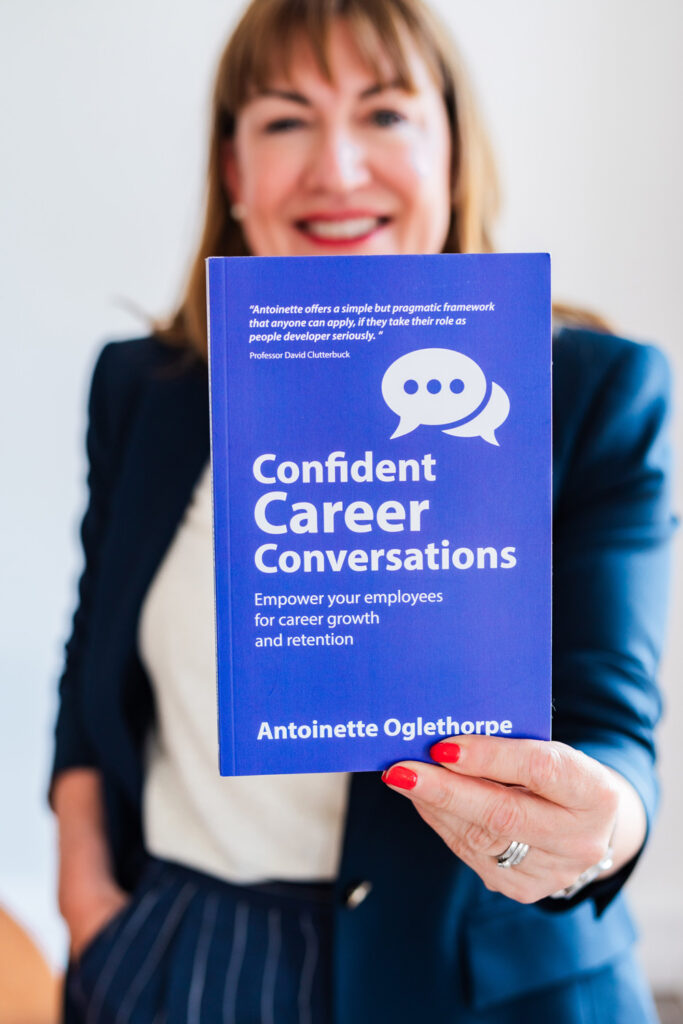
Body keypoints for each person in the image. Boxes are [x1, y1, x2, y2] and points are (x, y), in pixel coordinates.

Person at [50, 0, 674, 1021]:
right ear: (233, 169)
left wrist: (600, 829)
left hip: (471, 979)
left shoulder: (587, 394)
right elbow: (92, 667)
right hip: (182, 951)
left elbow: (612, 726)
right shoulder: (145, 390)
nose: (336, 170)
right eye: (285, 119)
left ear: (452, 153)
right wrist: (84, 894)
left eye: (384, 114)